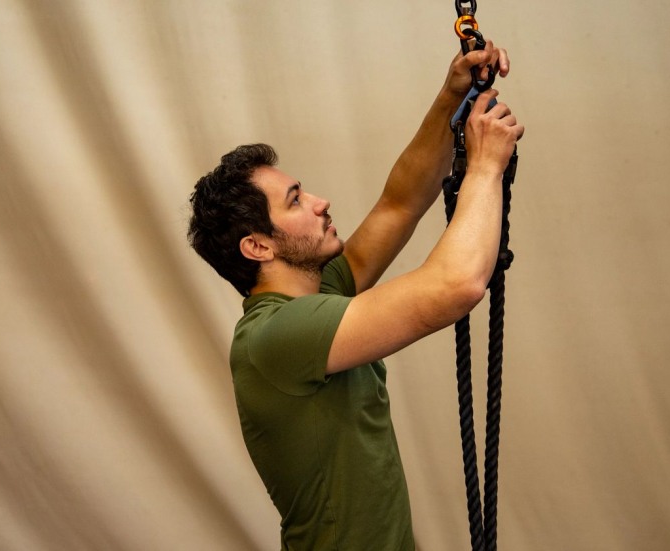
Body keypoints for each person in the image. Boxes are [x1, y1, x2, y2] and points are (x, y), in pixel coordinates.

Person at [187, 39, 523, 551]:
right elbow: (455, 286)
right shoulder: (277, 336)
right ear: (257, 246)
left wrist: (451, 97)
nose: (321, 203)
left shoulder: (320, 294)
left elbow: (399, 203)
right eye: (296, 201)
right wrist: (484, 167)